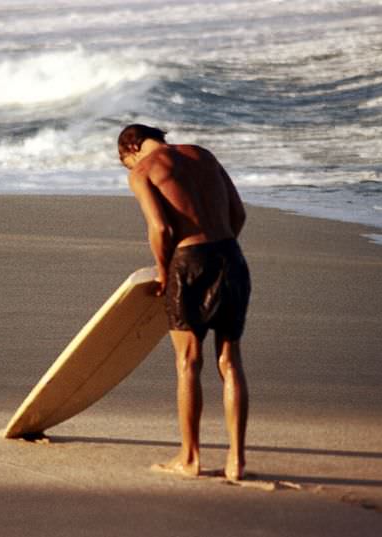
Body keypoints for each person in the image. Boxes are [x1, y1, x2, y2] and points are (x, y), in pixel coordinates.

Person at [118, 124, 251, 481]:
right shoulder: (203, 155)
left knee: (189, 361)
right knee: (230, 361)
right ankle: (236, 461)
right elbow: (238, 213)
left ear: (130, 150)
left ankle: (190, 458)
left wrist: (165, 271)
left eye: (125, 164)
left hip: (188, 263)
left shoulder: (143, 171)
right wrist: (219, 249)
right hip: (231, 257)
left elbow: (160, 228)